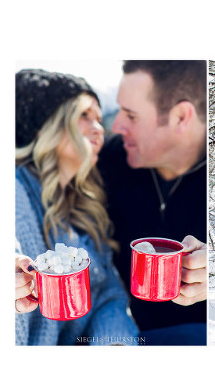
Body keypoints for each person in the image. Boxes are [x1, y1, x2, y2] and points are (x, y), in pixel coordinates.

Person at [15, 69, 139, 345]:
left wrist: (114, 343)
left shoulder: (83, 204)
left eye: (98, 118)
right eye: (84, 115)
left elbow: (107, 294)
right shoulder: (15, 193)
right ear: (47, 125)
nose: (99, 129)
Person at [97, 60, 207, 345]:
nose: (116, 125)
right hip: (134, 336)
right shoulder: (109, 162)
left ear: (182, 117)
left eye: (131, 116)